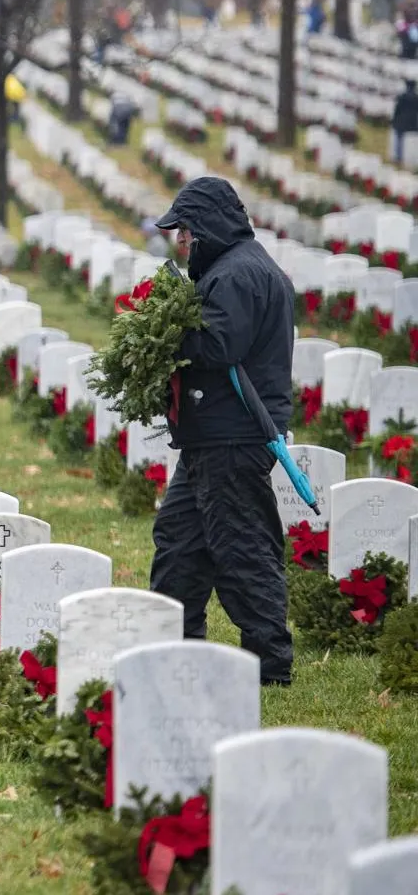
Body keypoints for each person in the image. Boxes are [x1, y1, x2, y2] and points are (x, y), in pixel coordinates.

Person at [148, 178, 295, 686]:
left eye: (185, 231)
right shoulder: (236, 267)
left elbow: (216, 346)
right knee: (180, 541)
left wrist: (162, 331)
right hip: (214, 433)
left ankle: (269, 664)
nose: (182, 243)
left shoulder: (237, 275)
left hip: (233, 433)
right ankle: (176, 645)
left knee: (241, 546)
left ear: (206, 227)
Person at [392, 81, 418, 165]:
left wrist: (394, 120)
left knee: (399, 138)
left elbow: (397, 109)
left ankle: (398, 157)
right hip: (412, 123)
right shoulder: (416, 97)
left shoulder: (402, 96)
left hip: (401, 121)